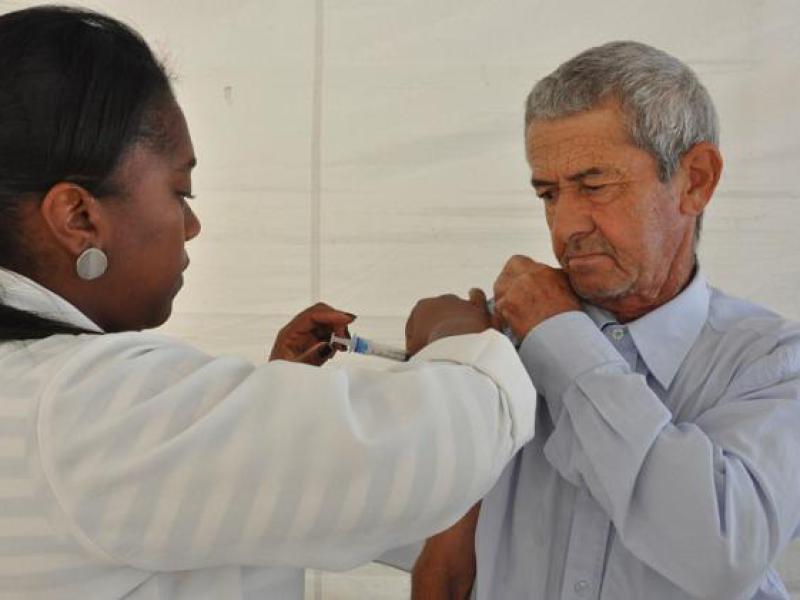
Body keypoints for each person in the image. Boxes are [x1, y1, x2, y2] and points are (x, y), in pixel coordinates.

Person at [0, 6, 538, 599]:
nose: (192, 225)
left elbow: (207, 510)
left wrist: (273, 400)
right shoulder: (81, 407)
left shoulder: (43, 397)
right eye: (180, 192)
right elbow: (426, 450)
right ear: (78, 217)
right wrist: (459, 339)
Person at [412, 41, 800, 599]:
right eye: (549, 193)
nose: (566, 226)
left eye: (595, 186)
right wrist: (439, 343)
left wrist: (563, 341)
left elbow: (721, 552)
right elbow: (427, 550)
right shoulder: (502, 342)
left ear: (695, 180)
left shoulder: (774, 362)